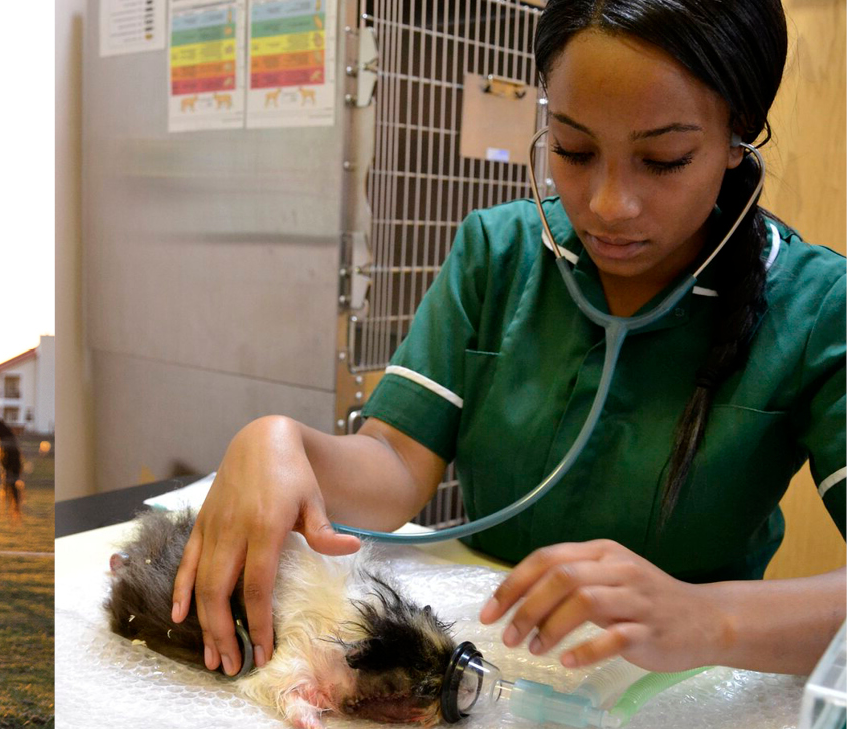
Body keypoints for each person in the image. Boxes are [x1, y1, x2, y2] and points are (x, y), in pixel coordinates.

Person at [172, 0, 842, 680]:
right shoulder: (499, 253)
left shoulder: (818, 307)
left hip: (682, 693)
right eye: (574, 149)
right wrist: (284, 444)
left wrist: (708, 619)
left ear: (739, 133)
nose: (609, 205)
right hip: (487, 668)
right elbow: (396, 462)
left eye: (663, 159)